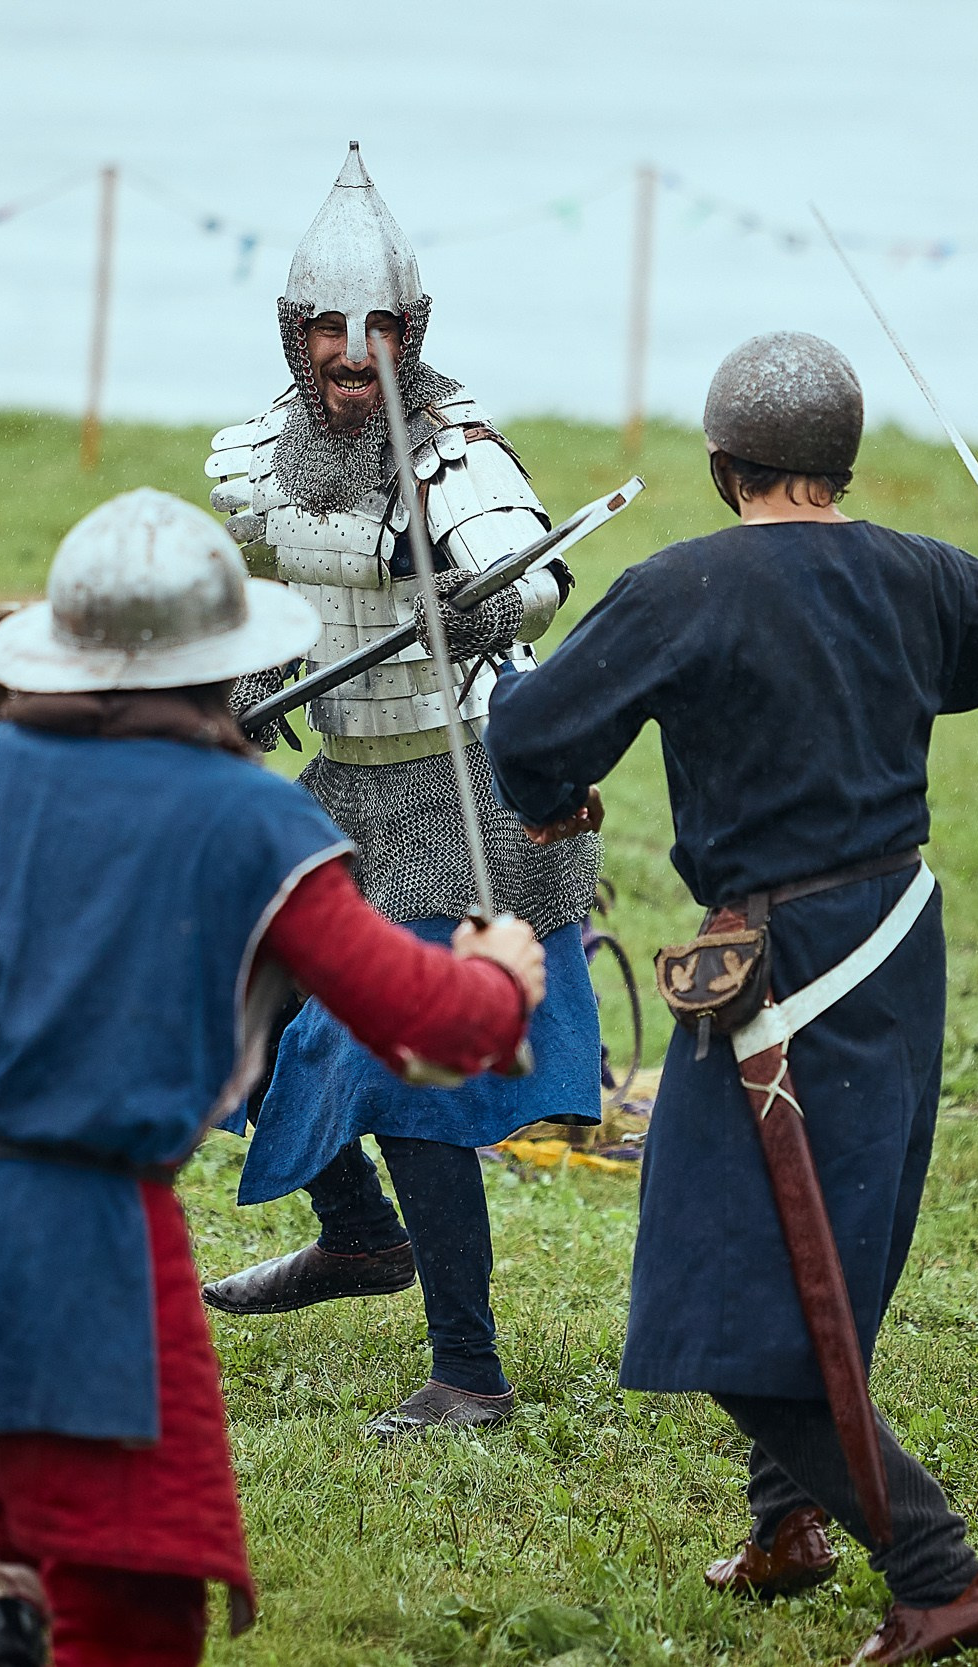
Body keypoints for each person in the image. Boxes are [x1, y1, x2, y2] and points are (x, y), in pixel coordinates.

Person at [0, 489, 548, 1667]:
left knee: (15, 1498)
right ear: (225, 669)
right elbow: (415, 1018)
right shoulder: (243, 815)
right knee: (141, 1597)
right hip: (63, 1230)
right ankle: (18, 1600)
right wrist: (500, 977)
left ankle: (3, 1603)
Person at [483, 333, 978, 1665]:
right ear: (843, 465)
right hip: (896, 941)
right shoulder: (929, 575)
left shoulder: (682, 586)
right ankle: (790, 1525)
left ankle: (940, 1571)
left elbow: (534, 737)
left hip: (787, 969)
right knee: (821, 1249)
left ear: (725, 468)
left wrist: (549, 784)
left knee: (721, 1292)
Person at [195, 142, 605, 1438]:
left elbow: (532, 584)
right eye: (328, 323)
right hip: (342, 791)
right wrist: (229, 704)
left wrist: (464, 572)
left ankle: (470, 1372)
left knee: (400, 1061)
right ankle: (361, 1236)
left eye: (377, 324)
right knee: (239, 991)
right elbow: (281, 612)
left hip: (460, 796)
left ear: (411, 328)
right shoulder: (268, 459)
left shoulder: (455, 455)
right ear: (294, 330)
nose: (351, 347)